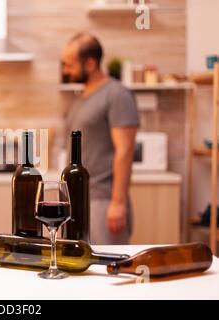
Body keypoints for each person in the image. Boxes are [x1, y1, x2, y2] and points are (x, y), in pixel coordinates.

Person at [61, 33, 139, 245]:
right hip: (79, 199)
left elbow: (125, 149)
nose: (66, 71)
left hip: (103, 201)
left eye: (70, 65)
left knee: (106, 271)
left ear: (90, 63)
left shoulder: (116, 94)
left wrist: (117, 202)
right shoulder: (82, 98)